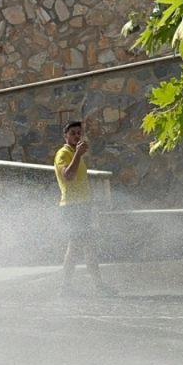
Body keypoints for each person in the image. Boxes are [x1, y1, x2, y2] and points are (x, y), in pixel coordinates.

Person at [54, 120, 110, 296]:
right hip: (72, 207)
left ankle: (96, 285)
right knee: (76, 247)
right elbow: (68, 176)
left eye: (79, 133)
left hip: (82, 206)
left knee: (87, 246)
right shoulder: (64, 153)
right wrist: (78, 154)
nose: (77, 136)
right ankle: (66, 287)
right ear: (65, 136)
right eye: (73, 133)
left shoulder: (74, 153)